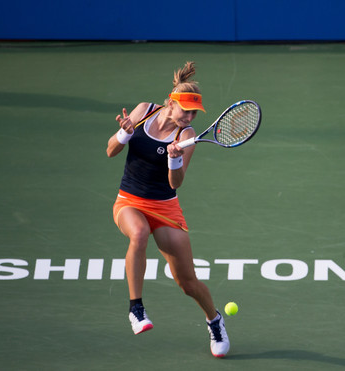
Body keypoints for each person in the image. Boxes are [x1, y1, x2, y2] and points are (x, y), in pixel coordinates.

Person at [106, 61, 229, 358]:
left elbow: (176, 183)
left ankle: (214, 321)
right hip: (129, 201)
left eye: (193, 113)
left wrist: (173, 158)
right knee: (139, 233)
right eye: (184, 110)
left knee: (187, 283)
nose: (188, 117)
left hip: (165, 207)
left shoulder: (186, 137)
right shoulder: (142, 111)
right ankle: (136, 309)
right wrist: (124, 134)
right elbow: (110, 150)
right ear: (171, 103)